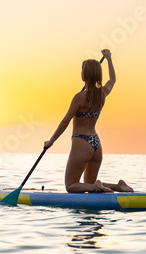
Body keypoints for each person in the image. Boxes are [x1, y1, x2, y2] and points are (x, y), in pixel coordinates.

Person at [43, 49, 134, 194]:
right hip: (96, 144)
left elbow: (65, 121)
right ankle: (118, 186)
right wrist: (109, 59)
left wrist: (51, 141)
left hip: (81, 142)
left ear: (84, 75)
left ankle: (98, 186)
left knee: (71, 186)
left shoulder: (80, 97)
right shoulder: (102, 94)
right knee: (89, 184)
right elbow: (112, 80)